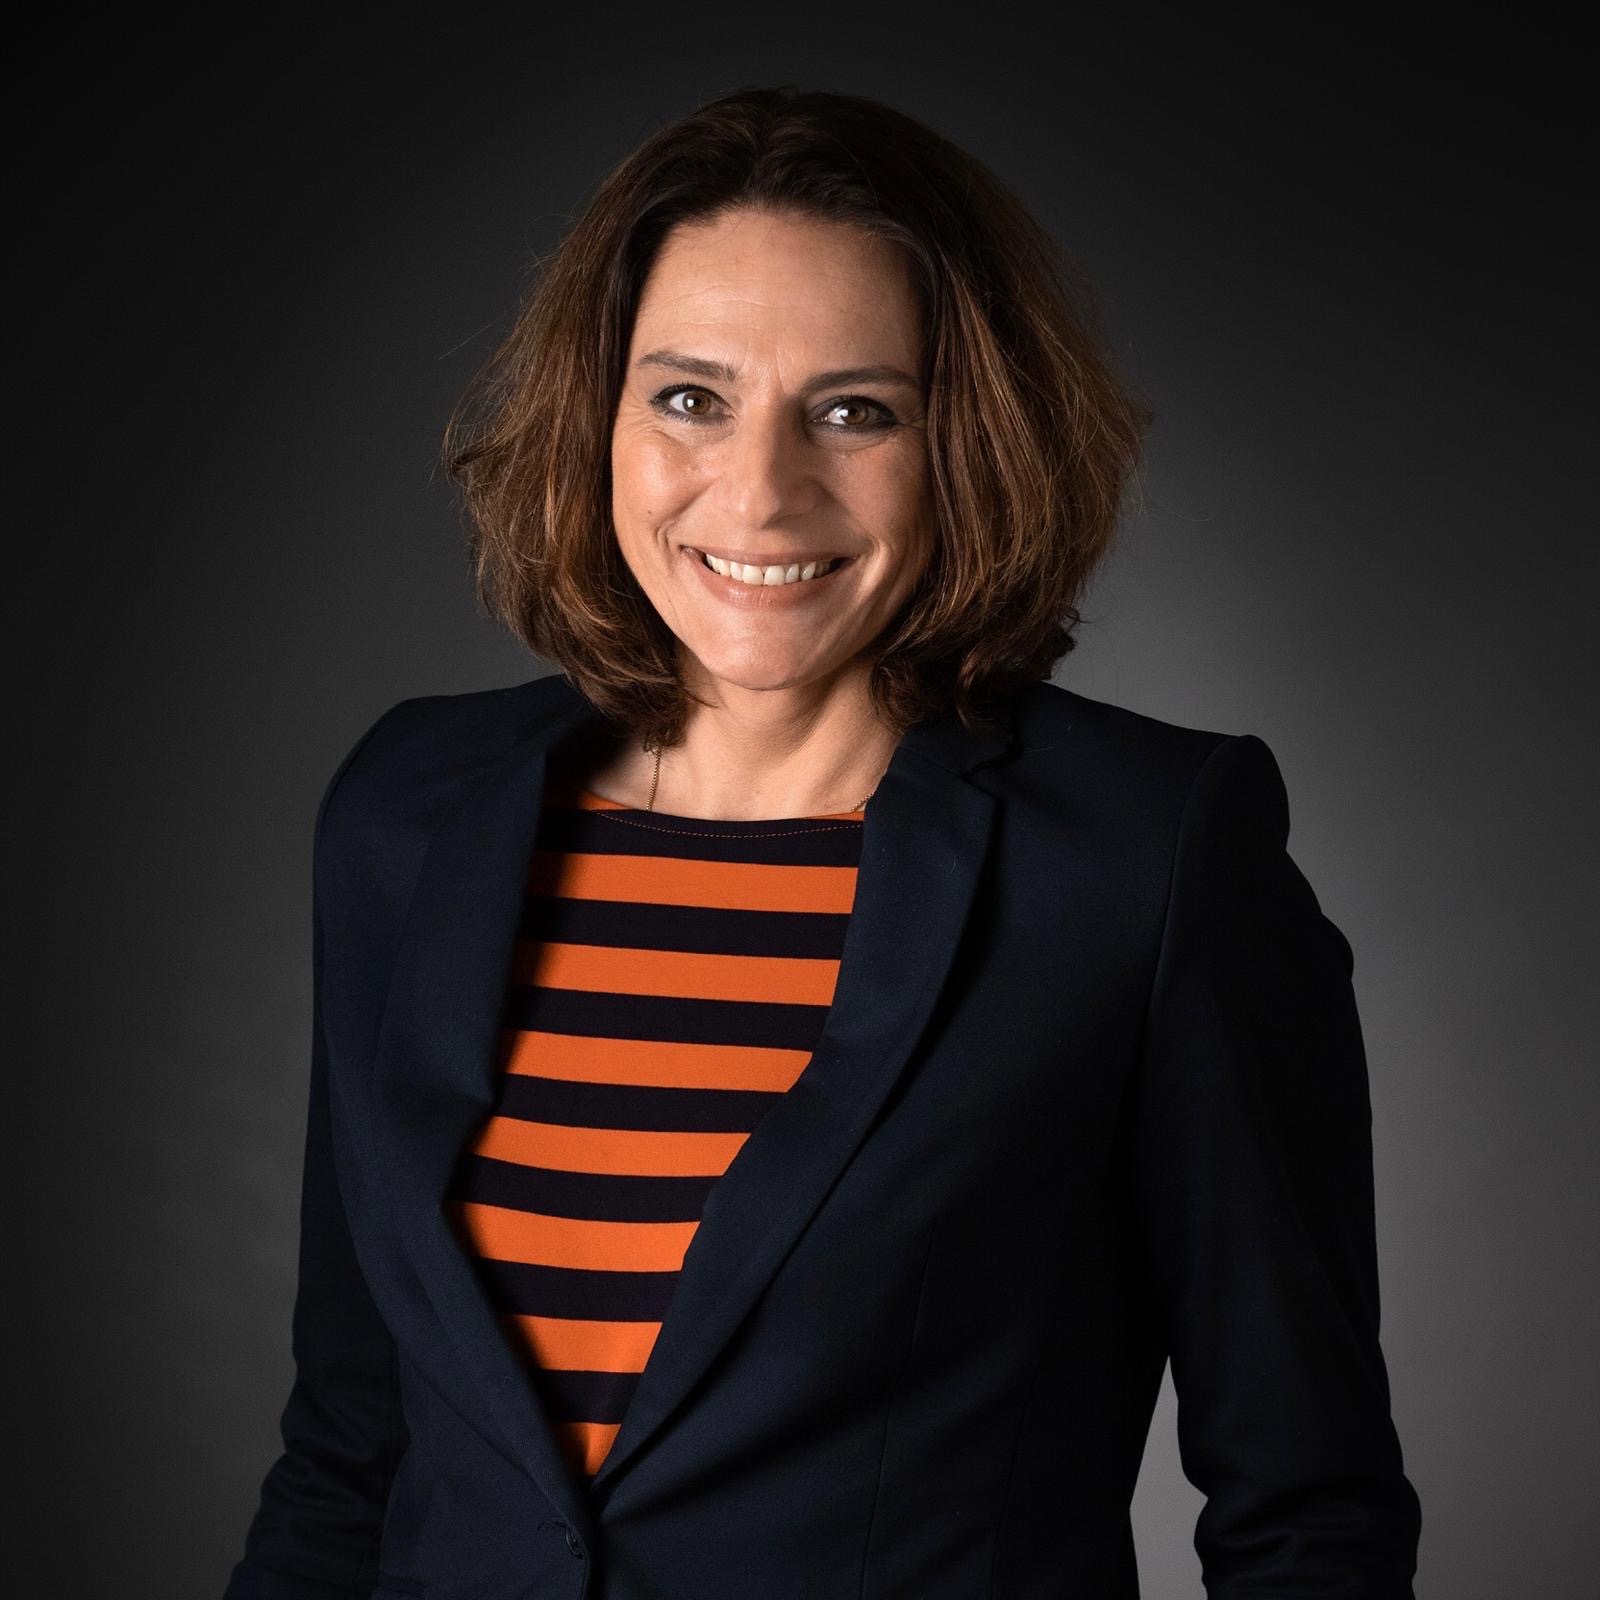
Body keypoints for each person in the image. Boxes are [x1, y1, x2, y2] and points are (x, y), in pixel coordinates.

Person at [223, 85, 1422, 1599]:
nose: (761, 492)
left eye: (856, 411)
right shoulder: (408, 813)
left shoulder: (1146, 859)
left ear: (968, 443)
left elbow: (1309, 1516)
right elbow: (348, 1448)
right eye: (690, 398)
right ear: (599, 418)